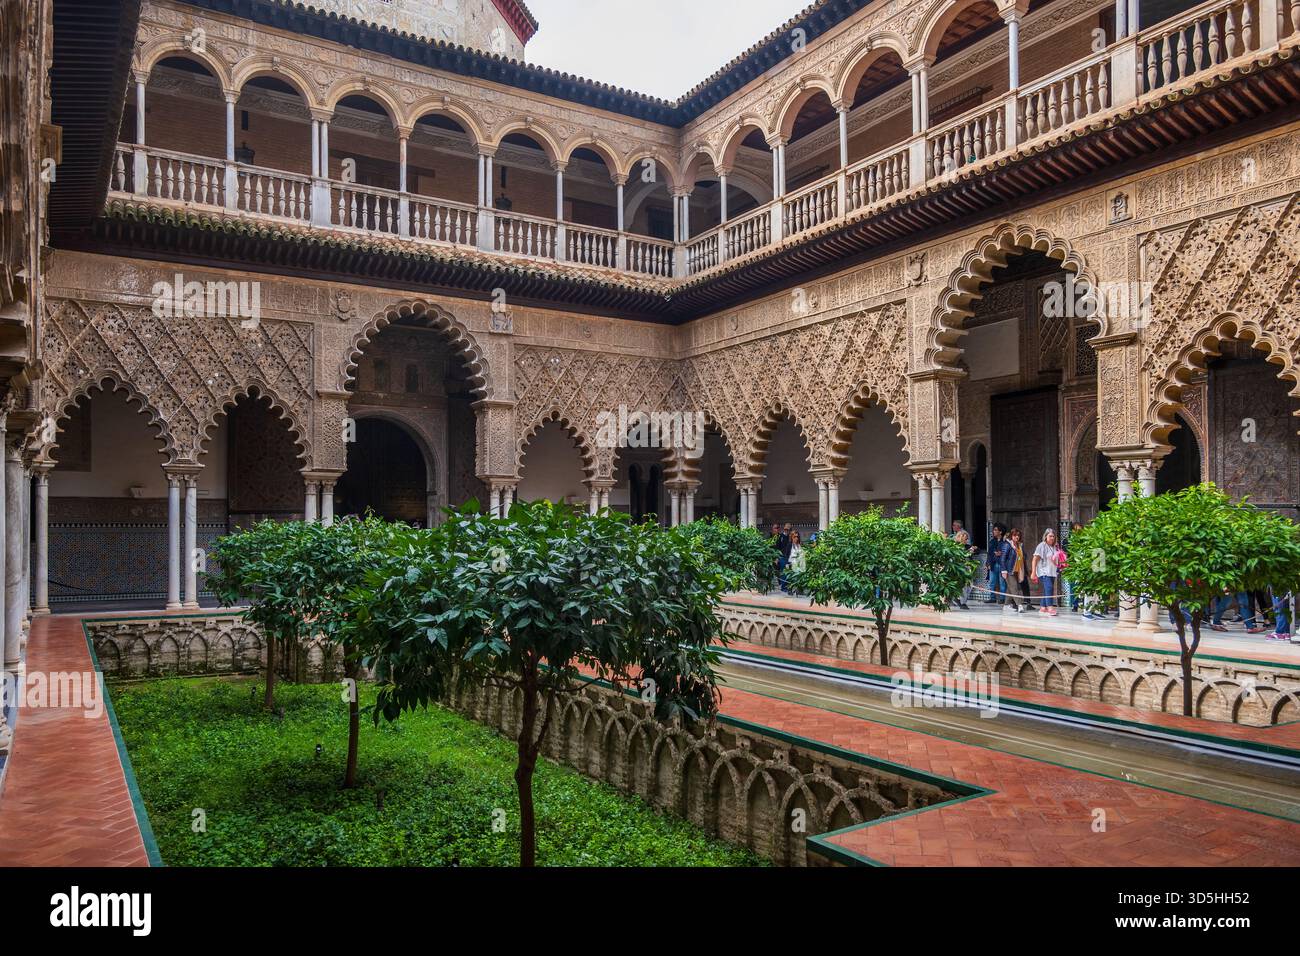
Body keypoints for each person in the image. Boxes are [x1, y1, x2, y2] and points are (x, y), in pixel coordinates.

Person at [1031, 528, 1063, 616]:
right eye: (1050, 536)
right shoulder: (1042, 545)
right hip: (1044, 571)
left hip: (1052, 572)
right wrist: (1033, 572)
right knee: (1049, 588)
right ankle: (1050, 607)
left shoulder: (1055, 547)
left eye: (1053, 536)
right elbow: (1035, 559)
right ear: (1046, 536)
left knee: (1046, 589)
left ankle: (1042, 608)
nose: (1052, 538)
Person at [1000, 528, 1030, 613]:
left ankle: (1006, 605)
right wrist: (1004, 570)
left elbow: (1023, 557)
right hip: (1009, 570)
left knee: (1010, 589)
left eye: (1018, 535)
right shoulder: (1007, 545)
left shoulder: (1020, 545)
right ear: (1011, 536)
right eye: (1015, 535)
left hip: (1017, 570)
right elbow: (1002, 559)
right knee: (1014, 587)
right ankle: (1019, 605)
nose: (1017, 537)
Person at [953, 529, 977, 610]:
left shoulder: (967, 546)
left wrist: (974, 549)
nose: (967, 540)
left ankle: (960, 600)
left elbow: (977, 550)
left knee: (970, 585)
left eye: (967, 539)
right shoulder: (955, 546)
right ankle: (962, 602)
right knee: (963, 586)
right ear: (960, 538)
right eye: (965, 539)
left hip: (968, 568)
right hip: (959, 568)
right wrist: (967, 552)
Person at [985, 523, 1007, 604]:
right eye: (993, 530)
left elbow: (1007, 552)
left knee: (1002, 583)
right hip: (993, 564)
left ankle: (1002, 598)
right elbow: (989, 553)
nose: (993, 532)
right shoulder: (992, 541)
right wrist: (988, 563)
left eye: (995, 530)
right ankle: (992, 597)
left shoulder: (1005, 542)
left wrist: (1001, 553)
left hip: (1002, 565)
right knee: (992, 582)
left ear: (1000, 532)